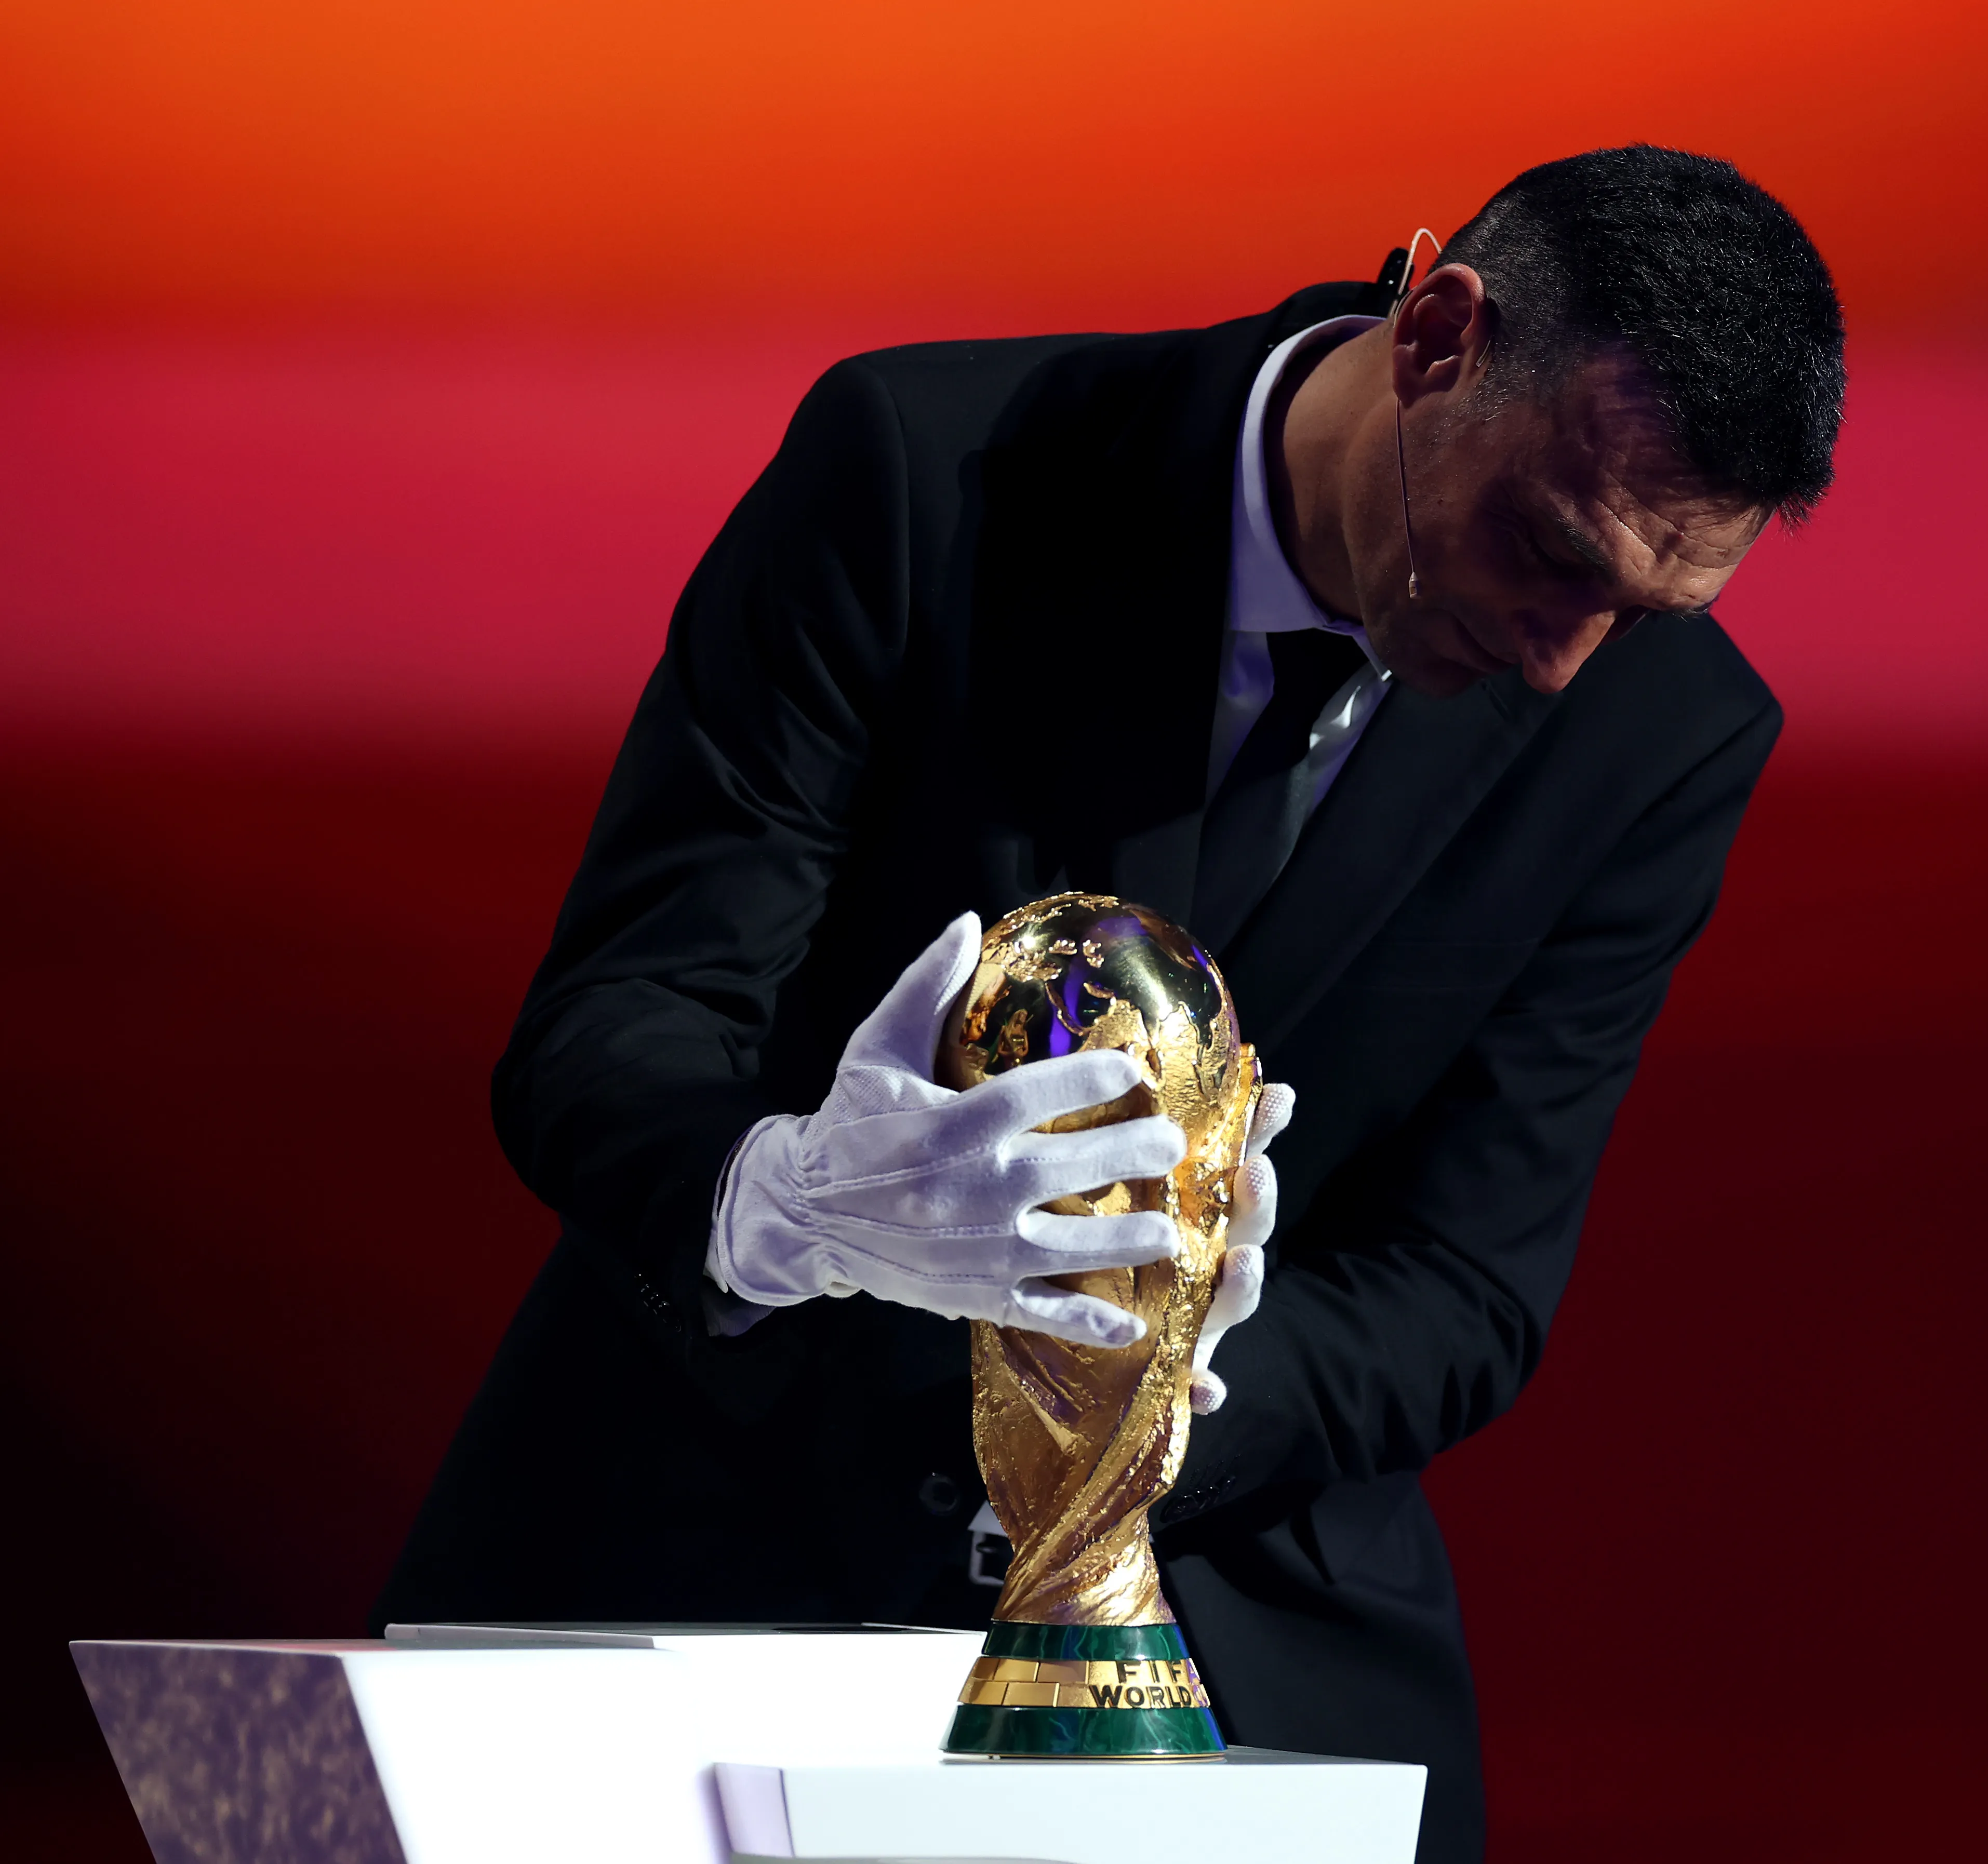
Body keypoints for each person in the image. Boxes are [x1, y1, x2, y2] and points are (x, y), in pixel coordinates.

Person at [377, 143, 1844, 1862]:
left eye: (1643, 610)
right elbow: (616, 1021)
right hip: (705, 1539)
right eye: (1546, 550)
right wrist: (784, 1203)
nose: (1560, 661)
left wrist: (1165, 1385)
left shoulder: (1671, 733)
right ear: (1438, 333)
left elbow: (1465, 1286)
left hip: (1232, 1637)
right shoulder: (924, 473)